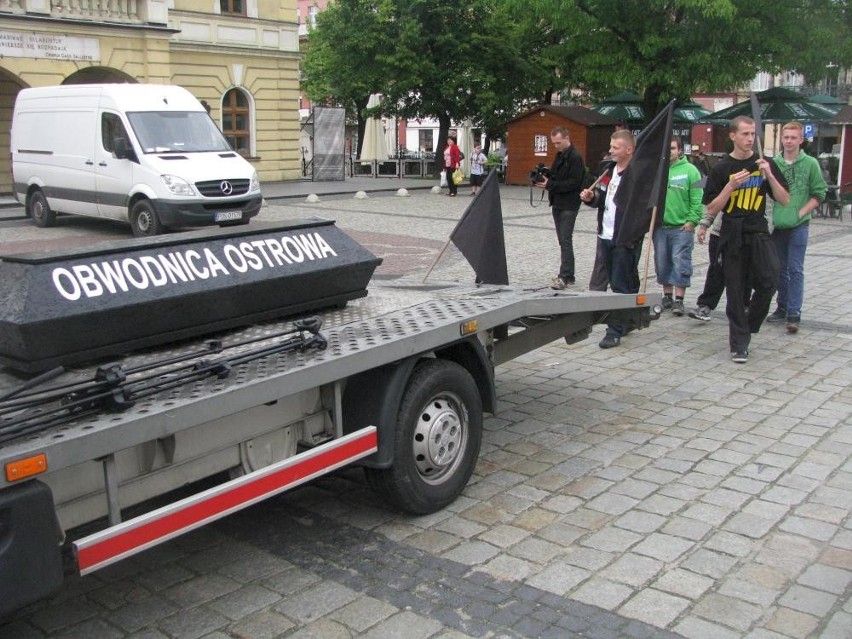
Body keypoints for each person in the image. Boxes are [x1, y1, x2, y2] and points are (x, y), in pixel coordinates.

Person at [702, 116, 790, 363]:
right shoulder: (721, 168)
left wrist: (769, 176)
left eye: (753, 134)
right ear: (733, 136)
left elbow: (785, 200)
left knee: (769, 280)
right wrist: (730, 187)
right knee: (736, 291)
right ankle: (739, 343)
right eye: (745, 134)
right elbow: (711, 207)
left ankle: (749, 323)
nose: (750, 139)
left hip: (759, 232)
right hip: (732, 234)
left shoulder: (764, 162)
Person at [766, 122, 827, 333]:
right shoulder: (773, 163)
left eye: (793, 137)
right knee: (778, 268)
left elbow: (819, 193)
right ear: (781, 139)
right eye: (786, 137)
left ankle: (794, 312)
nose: (789, 141)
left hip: (799, 224)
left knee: (795, 268)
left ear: (801, 140)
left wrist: (801, 212)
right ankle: (782, 306)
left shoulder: (810, 163)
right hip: (778, 224)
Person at [579, 129, 637, 348]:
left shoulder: (636, 173)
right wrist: (591, 197)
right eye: (611, 146)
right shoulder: (607, 170)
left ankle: (614, 330)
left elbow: (641, 206)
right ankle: (628, 319)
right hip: (605, 232)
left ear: (629, 150)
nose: (611, 151)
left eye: (616, 147)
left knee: (621, 283)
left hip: (625, 236)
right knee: (620, 279)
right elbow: (601, 199)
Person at [654, 138, 703, 316]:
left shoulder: (692, 171)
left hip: (682, 227)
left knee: (680, 261)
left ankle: (679, 300)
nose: (670, 151)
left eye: (673, 148)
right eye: (667, 148)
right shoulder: (658, 170)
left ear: (680, 150)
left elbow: (698, 197)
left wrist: (692, 220)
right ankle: (667, 296)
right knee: (662, 261)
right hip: (660, 226)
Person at [534, 126, 586, 289]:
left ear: (566, 138)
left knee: (565, 239)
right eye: (554, 143)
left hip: (569, 203)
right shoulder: (560, 155)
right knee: (563, 240)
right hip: (558, 202)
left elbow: (574, 183)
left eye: (558, 142)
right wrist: (546, 175)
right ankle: (568, 274)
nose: (556, 146)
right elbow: (557, 177)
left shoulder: (575, 157)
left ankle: (565, 275)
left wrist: (551, 184)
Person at [687, 209, 724, 322]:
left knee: (744, 273)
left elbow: (767, 209)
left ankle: (744, 307)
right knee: (715, 271)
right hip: (719, 233)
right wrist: (704, 225)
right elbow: (715, 204)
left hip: (748, 235)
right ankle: (705, 306)